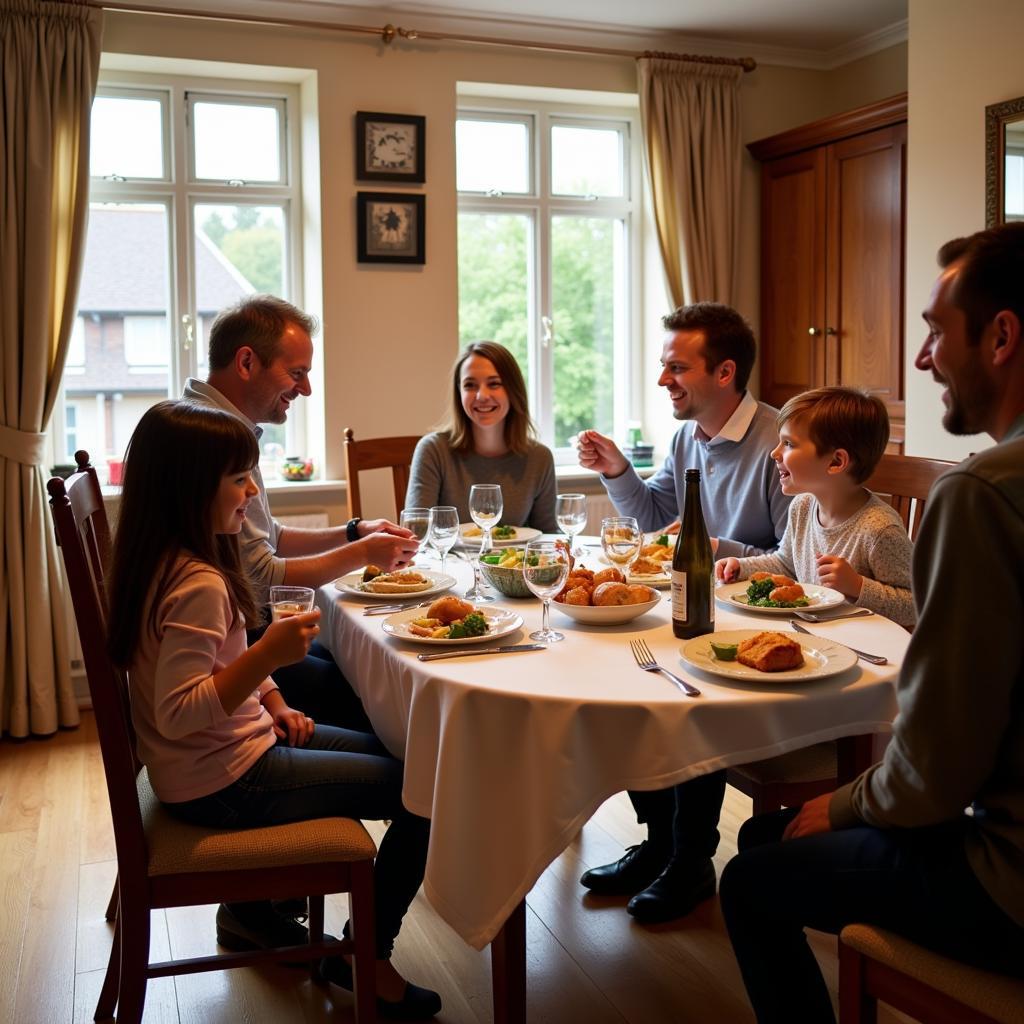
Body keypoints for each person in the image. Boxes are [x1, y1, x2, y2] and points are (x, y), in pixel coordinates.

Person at [719, 223, 1024, 1023]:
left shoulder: (983, 492)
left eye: (933, 331)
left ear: (1001, 336)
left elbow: (941, 756)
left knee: (750, 875)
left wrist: (851, 802)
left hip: (1010, 884)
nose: (922, 360)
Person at [106, 400, 441, 1020]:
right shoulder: (196, 584)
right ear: (189, 488)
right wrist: (266, 656)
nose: (252, 491)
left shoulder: (178, 559)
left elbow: (219, 664)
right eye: (239, 479)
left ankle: (336, 941)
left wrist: (276, 697)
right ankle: (365, 956)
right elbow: (180, 711)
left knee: (412, 761)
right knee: (427, 789)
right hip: (225, 781)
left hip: (232, 754)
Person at [576, 302, 792, 924]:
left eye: (677, 367)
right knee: (632, 678)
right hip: (698, 613)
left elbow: (797, 559)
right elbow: (652, 519)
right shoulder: (686, 437)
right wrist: (618, 470)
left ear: (724, 373)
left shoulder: (779, 442)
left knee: (685, 700)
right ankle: (663, 843)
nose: (664, 379)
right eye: (663, 366)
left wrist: (719, 550)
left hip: (760, 630)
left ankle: (691, 859)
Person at [184, 295, 419, 731]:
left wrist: (353, 532)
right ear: (247, 362)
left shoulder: (213, 424)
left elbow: (267, 537)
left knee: (355, 658)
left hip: (234, 639)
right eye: (297, 373)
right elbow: (259, 581)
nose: (306, 389)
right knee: (377, 687)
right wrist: (363, 553)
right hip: (236, 648)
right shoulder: (210, 439)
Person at [716, 386, 915, 627]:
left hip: (869, 650)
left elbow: (914, 605)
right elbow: (786, 564)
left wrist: (858, 586)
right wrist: (742, 567)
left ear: (835, 461)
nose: (774, 453)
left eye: (788, 443)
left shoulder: (879, 529)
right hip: (816, 635)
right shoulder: (802, 506)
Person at [405, 340, 558, 531]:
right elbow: (415, 534)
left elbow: (549, 535)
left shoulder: (539, 458)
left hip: (512, 561)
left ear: (513, 391)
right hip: (447, 561)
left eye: (494, 384)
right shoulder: (433, 450)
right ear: (459, 393)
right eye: (470, 385)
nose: (481, 396)